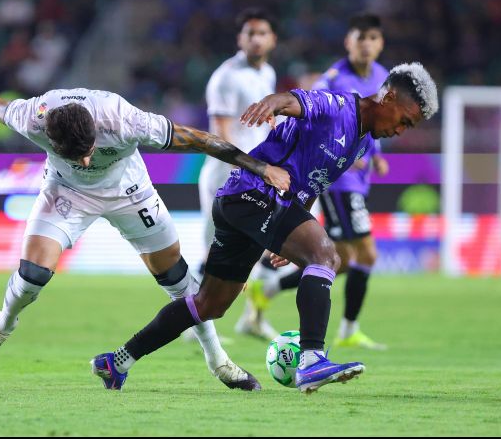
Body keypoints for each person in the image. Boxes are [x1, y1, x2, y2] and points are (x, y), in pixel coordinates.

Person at [0, 88, 290, 391]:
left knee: (179, 281)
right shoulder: (33, 116)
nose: (84, 159)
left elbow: (197, 138)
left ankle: (219, 362)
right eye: (74, 153)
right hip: (67, 193)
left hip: (130, 192)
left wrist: (258, 167)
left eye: (88, 150)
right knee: (31, 276)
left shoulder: (124, 118)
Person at [92, 62, 439, 394]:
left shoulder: (364, 141)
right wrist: (270, 104)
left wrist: (295, 231)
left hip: (247, 205)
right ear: (389, 97)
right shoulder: (338, 107)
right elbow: (291, 100)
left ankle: (117, 361)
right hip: (253, 193)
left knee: (209, 304)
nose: (401, 130)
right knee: (326, 256)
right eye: (405, 121)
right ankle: (312, 360)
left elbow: (313, 182)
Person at [242, 13, 392, 350]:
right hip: (339, 180)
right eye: (360, 37)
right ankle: (348, 330)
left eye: (372, 38)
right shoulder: (333, 79)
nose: (366, 45)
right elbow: (316, 118)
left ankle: (268, 289)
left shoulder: (382, 77)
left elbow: (377, 120)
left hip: (360, 177)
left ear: (380, 43)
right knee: (366, 254)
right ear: (348, 41)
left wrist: (377, 154)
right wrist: (343, 153)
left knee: (342, 259)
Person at [197, 7, 286, 340]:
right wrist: (247, 167)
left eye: (262, 33)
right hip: (226, 174)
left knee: (262, 244)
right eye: (250, 33)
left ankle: (253, 318)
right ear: (240, 38)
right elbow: (220, 132)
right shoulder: (226, 77)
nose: (256, 39)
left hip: (257, 173)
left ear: (272, 39)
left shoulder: (268, 74)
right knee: (215, 247)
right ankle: (196, 321)